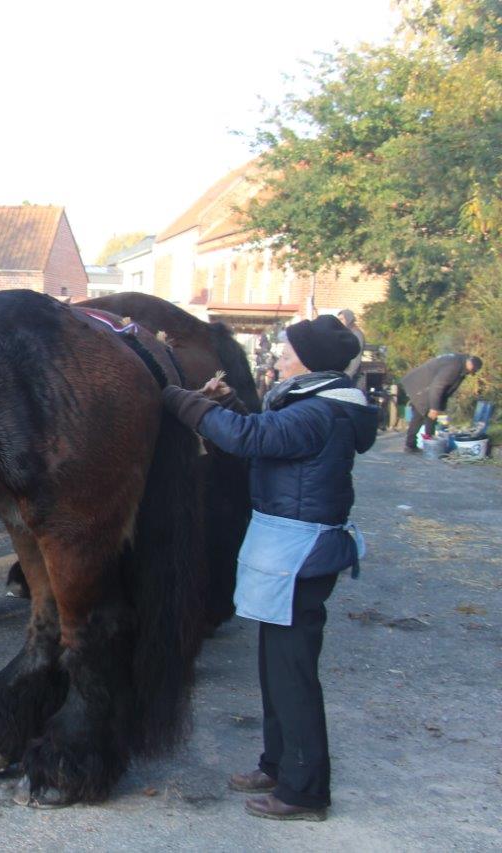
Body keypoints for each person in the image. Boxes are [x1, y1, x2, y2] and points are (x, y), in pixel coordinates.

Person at [162, 314, 378, 822]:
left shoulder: (318, 412)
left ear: (309, 362)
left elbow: (250, 439)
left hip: (299, 555)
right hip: (294, 550)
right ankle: (278, 763)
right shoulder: (316, 405)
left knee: (293, 676)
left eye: (285, 352)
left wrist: (178, 399)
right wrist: (231, 406)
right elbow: (263, 434)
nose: (278, 359)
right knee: (276, 670)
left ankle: (304, 792)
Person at [399, 354, 484, 452]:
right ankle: (411, 445)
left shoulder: (461, 364)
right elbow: (438, 386)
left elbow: (446, 390)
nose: (470, 373)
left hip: (427, 387)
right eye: (472, 371)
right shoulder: (454, 367)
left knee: (431, 417)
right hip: (420, 386)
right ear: (470, 365)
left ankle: (429, 444)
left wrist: (440, 407)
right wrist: (434, 408)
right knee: (420, 414)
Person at [337, 309, 365, 386]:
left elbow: (356, 357)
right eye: (338, 319)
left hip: (351, 375)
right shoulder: (347, 333)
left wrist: (349, 374)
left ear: (348, 319)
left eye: (341, 319)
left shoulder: (356, 334)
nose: (339, 322)